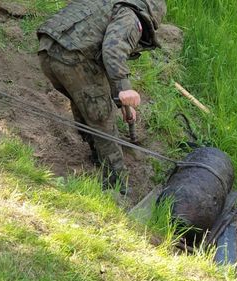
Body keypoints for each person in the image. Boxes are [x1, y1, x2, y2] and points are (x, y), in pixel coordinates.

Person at [37, 0, 166, 193]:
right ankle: (117, 183)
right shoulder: (131, 17)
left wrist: (121, 102)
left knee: (85, 103)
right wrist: (124, 88)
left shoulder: (108, 5)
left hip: (48, 51)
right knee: (102, 119)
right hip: (73, 57)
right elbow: (112, 50)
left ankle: (97, 155)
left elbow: (98, 56)